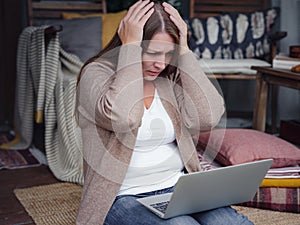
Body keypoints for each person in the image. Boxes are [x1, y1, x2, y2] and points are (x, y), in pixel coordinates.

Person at [75, 0, 254, 224]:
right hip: (123, 197)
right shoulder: (96, 73)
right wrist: (128, 47)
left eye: (169, 54)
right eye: (152, 52)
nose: (160, 63)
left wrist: (186, 51)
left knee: (231, 223)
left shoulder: (167, 79)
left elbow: (208, 117)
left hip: (180, 189)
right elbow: (122, 117)